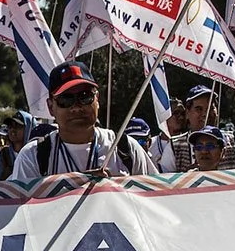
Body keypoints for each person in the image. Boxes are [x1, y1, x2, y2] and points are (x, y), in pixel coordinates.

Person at [12, 61, 152, 180]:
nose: (77, 107)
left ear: (97, 99)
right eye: (66, 99)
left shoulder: (126, 149)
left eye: (85, 96)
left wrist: (115, 192)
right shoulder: (32, 157)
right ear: (50, 107)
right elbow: (21, 209)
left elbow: (154, 200)